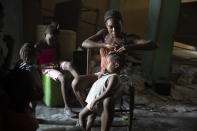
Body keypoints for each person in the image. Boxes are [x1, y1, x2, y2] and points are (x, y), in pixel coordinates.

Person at [72, 9, 157, 107]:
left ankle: (97, 111)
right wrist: (105, 45)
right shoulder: (103, 34)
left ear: (122, 23)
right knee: (76, 82)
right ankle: (89, 111)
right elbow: (84, 43)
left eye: (117, 26)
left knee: (107, 100)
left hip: (119, 77)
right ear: (106, 26)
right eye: (110, 27)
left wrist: (130, 47)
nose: (114, 30)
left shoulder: (128, 38)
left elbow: (153, 45)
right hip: (103, 74)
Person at [70, 52, 124, 131]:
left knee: (81, 115)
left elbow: (107, 92)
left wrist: (95, 100)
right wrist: (102, 74)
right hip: (93, 102)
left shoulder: (114, 77)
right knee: (81, 115)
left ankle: (84, 128)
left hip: (96, 103)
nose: (105, 65)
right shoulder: (108, 75)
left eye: (107, 63)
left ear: (116, 65)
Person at [35, 22, 79, 117]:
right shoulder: (38, 46)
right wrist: (49, 66)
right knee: (62, 78)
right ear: (45, 35)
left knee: (69, 64)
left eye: (55, 39)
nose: (53, 42)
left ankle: (79, 83)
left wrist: (59, 64)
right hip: (45, 68)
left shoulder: (56, 44)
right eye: (51, 39)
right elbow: (36, 65)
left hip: (55, 64)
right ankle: (67, 108)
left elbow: (58, 58)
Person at [16, 43, 44, 112]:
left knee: (27, 105)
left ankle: (30, 114)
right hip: (31, 90)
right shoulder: (31, 68)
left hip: (23, 91)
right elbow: (35, 80)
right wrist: (39, 89)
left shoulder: (21, 65)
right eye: (36, 58)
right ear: (28, 59)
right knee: (33, 103)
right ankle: (32, 116)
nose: (37, 60)